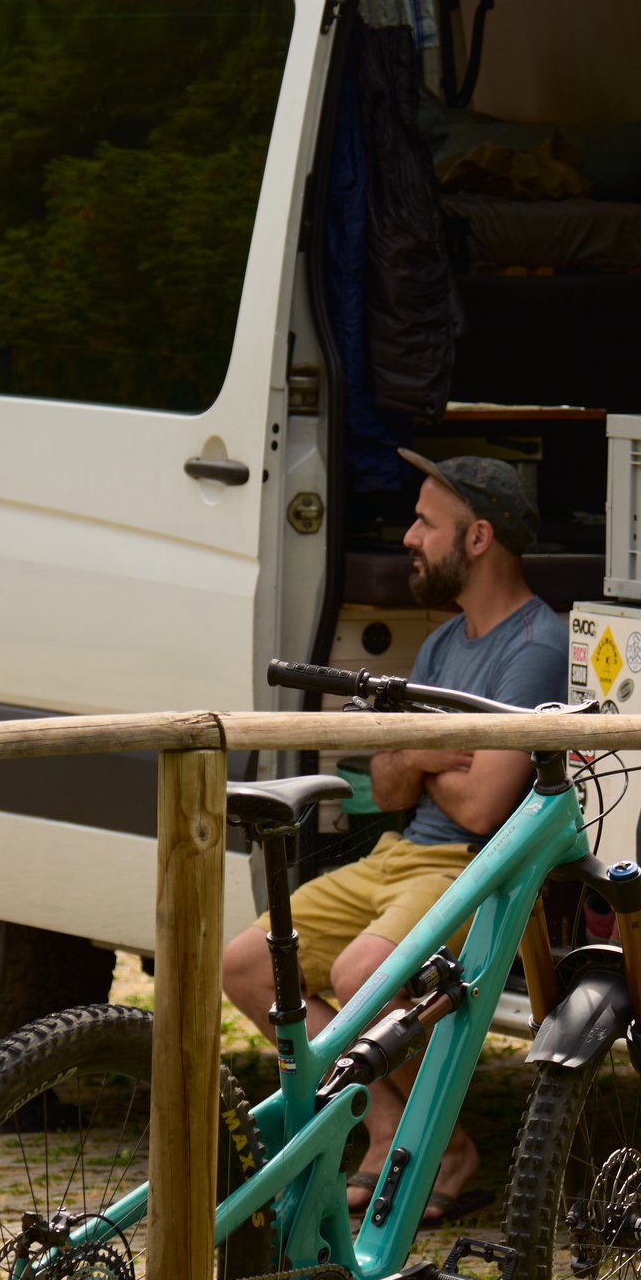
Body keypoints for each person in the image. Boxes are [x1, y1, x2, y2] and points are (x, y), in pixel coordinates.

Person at [222, 451, 563, 1212]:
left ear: (478, 538)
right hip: (399, 851)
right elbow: (383, 785)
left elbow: (483, 807)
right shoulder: (443, 645)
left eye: (425, 523)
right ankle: (388, 1128)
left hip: (467, 865)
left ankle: (443, 1147)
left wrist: (415, 757)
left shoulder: (536, 648)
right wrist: (425, 754)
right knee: (246, 965)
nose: (408, 537)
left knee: (359, 975)